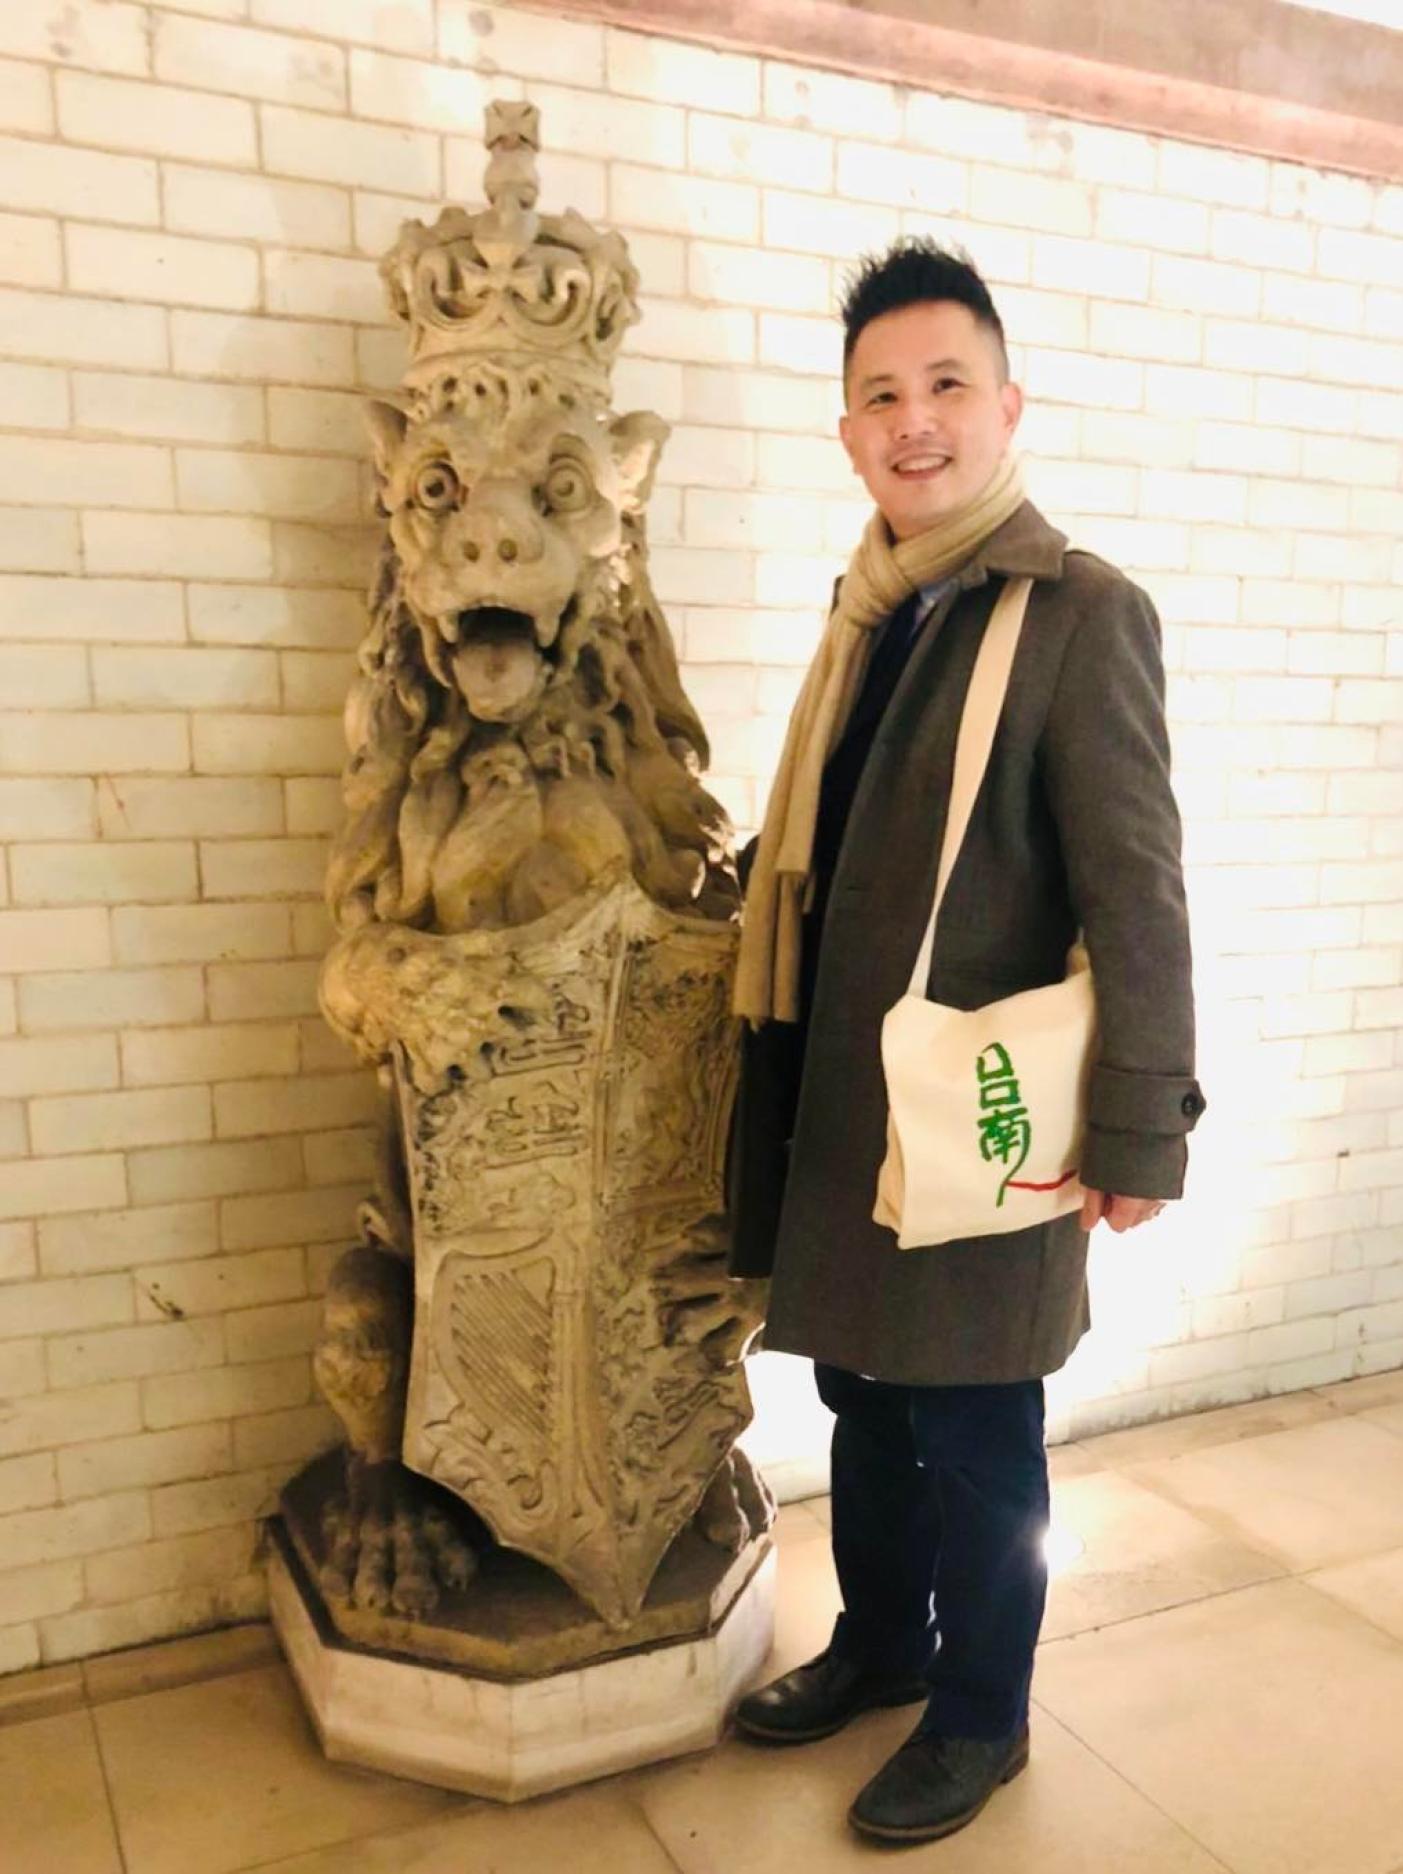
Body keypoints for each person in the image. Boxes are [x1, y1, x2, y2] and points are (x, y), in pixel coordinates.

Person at [726, 240, 1206, 1847]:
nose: (913, 419)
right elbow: (845, 839)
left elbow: (1138, 891)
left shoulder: (1079, 614)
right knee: (864, 1398)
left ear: (1008, 405)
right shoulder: (870, 609)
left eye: (945, 384)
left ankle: (982, 1712)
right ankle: (882, 1642)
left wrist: (1141, 1128)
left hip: (988, 1109)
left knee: (979, 1426)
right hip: (853, 1107)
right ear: (846, 430)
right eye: (881, 395)